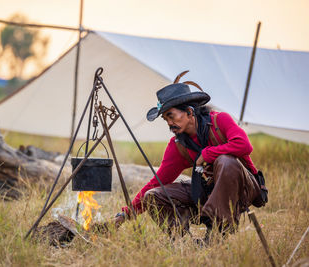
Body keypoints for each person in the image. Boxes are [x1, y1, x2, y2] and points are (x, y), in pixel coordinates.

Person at [114, 71, 267, 242]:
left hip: (242, 188)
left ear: (189, 112)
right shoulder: (178, 145)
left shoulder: (220, 121)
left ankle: (218, 233)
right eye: (165, 119)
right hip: (208, 191)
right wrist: (126, 214)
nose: (169, 123)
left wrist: (206, 154)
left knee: (225, 160)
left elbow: (244, 145)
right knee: (153, 195)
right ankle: (183, 243)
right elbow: (158, 180)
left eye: (171, 116)